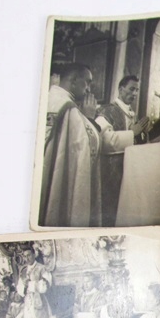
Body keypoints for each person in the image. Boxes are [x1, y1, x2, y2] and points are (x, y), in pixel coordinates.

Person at [40, 63, 102, 227]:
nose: (89, 89)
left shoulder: (49, 98)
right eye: (87, 82)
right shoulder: (68, 108)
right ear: (74, 80)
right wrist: (89, 118)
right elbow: (86, 145)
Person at [95, 75, 151, 226]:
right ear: (121, 89)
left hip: (127, 170)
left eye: (137, 90)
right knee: (110, 210)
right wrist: (132, 133)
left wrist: (143, 134)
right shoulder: (106, 111)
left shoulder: (131, 113)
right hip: (110, 172)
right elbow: (104, 141)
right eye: (131, 89)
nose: (134, 94)